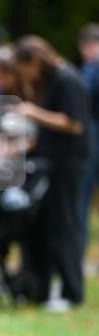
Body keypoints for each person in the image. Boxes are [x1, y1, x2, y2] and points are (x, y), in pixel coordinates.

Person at [14, 35, 90, 311]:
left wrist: (33, 112)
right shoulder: (52, 82)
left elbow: (74, 124)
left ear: (37, 60)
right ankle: (43, 289)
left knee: (64, 225)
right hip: (49, 162)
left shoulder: (67, 79)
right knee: (44, 226)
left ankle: (72, 291)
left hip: (67, 164)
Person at [77, 23, 99, 248]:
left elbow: (81, 102)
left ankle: (76, 255)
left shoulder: (91, 68)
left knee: (80, 202)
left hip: (92, 141)